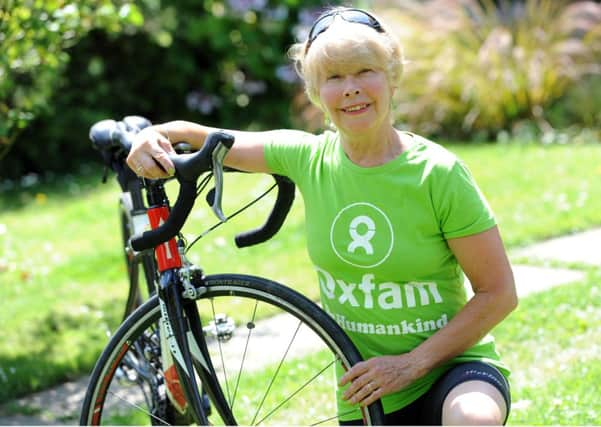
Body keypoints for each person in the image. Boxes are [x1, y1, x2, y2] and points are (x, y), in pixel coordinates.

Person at [127, 7, 517, 425]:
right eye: (334, 77)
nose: (351, 89)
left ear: (393, 75)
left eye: (365, 71)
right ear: (315, 91)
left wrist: (410, 364)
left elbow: (498, 293)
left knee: (474, 419)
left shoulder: (437, 173)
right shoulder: (308, 158)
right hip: (367, 390)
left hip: (451, 369)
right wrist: (152, 135)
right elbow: (209, 139)